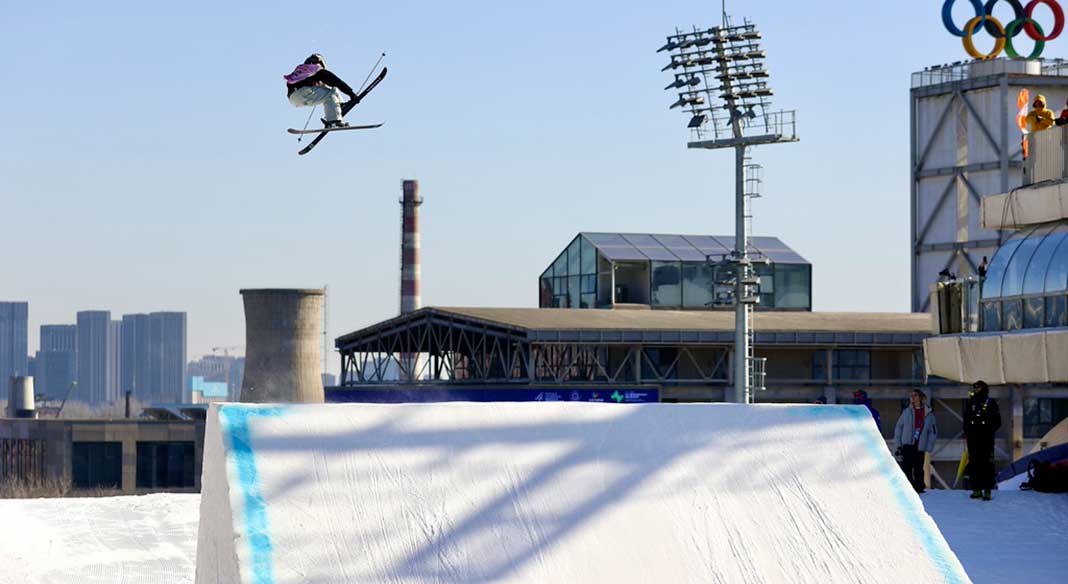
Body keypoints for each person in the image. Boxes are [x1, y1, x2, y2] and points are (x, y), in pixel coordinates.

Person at [284, 54, 359, 128]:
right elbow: (337, 82)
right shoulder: (317, 69)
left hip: (293, 98)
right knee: (330, 94)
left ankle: (339, 106)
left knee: (330, 90)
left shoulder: (302, 70)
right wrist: (351, 94)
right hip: (303, 92)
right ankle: (334, 121)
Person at [894, 390, 937, 493]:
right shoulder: (906, 412)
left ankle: (919, 488)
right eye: (911, 395)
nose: (912, 397)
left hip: (920, 446)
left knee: (918, 469)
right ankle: (909, 489)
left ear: (921, 398)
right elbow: (898, 427)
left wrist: (929, 447)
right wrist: (898, 445)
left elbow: (933, 431)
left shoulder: (928, 414)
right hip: (907, 445)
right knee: (906, 468)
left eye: (915, 395)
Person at [964, 380, 1002, 501]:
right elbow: (966, 420)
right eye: (975, 388)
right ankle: (976, 489)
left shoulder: (991, 402)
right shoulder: (970, 402)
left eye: (979, 388)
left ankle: (987, 490)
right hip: (973, 438)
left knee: (987, 464)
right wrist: (968, 433)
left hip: (986, 439)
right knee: (974, 463)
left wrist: (989, 432)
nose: (976, 390)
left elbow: (997, 421)